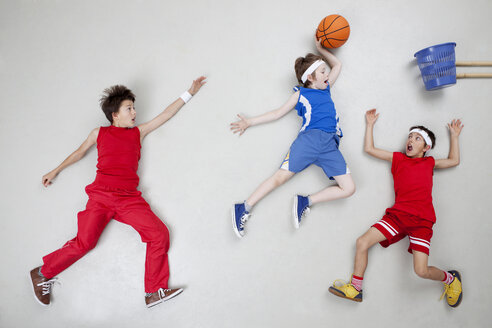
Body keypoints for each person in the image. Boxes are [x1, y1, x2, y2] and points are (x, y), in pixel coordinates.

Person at [29, 76, 206, 308]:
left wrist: (189, 92)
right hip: (101, 196)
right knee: (84, 243)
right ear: (115, 115)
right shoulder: (98, 133)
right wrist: (56, 170)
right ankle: (42, 273)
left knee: (159, 234)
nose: (134, 112)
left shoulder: (138, 133)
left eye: (134, 108)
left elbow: (165, 114)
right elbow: (79, 153)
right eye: (129, 108)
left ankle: (154, 291)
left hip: (129, 199)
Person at [328, 109, 463, 308]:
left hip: (421, 222)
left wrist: (454, 137)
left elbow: (454, 160)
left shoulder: (429, 163)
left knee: (421, 271)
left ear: (426, 147)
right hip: (398, 217)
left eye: (417, 138)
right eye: (410, 136)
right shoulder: (398, 158)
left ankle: (451, 280)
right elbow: (370, 149)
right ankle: (356, 288)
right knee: (362, 242)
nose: (411, 140)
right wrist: (370, 125)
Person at [230, 39, 355, 238]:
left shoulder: (327, 88)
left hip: (330, 145)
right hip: (310, 141)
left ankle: (307, 201)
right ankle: (244, 207)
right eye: (322, 71)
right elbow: (277, 113)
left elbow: (338, 65)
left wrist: (321, 49)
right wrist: (250, 122)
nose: (327, 74)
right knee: (280, 177)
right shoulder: (301, 94)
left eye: (325, 71)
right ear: (311, 78)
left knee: (349, 188)